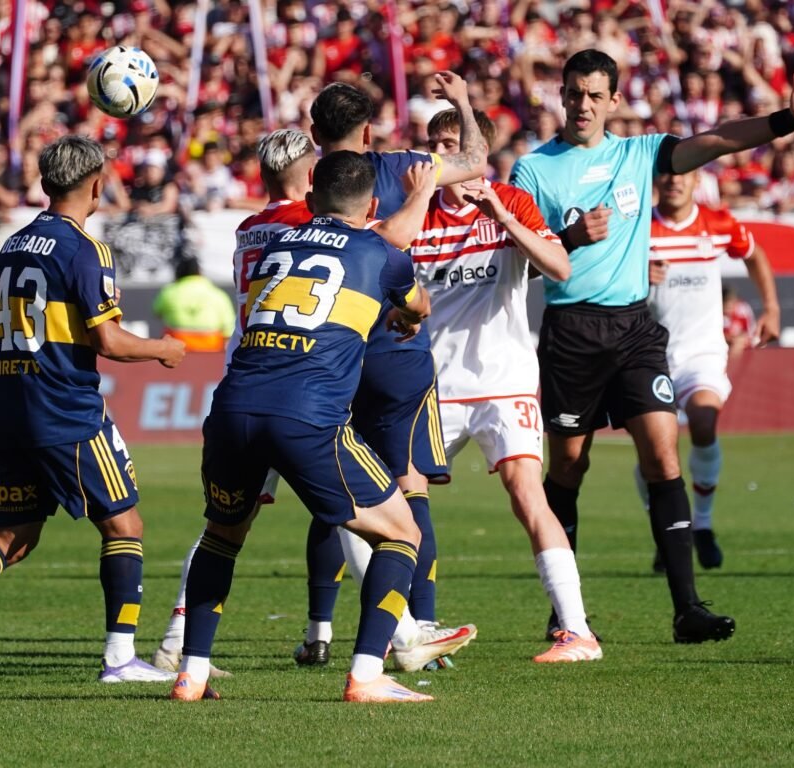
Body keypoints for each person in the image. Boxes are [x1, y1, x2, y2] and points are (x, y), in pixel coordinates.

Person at [509, 49, 794, 643]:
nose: (583, 104)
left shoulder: (640, 154)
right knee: (568, 467)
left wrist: (787, 120)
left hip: (635, 329)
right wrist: (569, 237)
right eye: (574, 92)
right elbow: (521, 264)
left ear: (614, 101)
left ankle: (688, 609)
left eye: (595, 94)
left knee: (663, 458)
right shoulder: (532, 170)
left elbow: (717, 140)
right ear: (561, 94)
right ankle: (565, 611)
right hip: (571, 333)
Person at [153, 128, 472, 676]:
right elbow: (405, 278)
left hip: (235, 398)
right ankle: (379, 662)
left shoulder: (262, 237)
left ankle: (187, 663)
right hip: (307, 406)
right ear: (369, 206)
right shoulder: (368, 243)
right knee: (393, 528)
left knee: (224, 534)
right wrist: (420, 203)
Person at [0, 135, 187, 687]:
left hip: (13, 407)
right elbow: (109, 342)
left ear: (46, 184)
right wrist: (163, 348)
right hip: (67, 409)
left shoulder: (13, 245)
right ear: (96, 185)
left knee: (17, 534)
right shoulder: (85, 249)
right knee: (124, 524)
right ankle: (120, 658)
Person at [297, 74, 487, 670]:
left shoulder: (307, 188)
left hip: (327, 357)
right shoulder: (405, 166)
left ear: (314, 133)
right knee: (408, 485)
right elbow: (477, 161)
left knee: (337, 492)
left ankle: (323, 629)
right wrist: (463, 104)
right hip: (394, 350)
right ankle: (417, 626)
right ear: (368, 132)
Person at [413, 108, 601, 662]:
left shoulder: (511, 201)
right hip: (435, 385)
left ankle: (577, 631)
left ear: (478, 150)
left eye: (451, 142)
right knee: (401, 499)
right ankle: (417, 631)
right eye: (433, 142)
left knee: (527, 494)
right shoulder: (416, 212)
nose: (439, 152)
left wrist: (502, 217)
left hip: (504, 381)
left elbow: (560, 267)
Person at [637, 169, 780, 571]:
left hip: (701, 352)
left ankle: (701, 524)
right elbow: (604, 273)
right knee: (655, 451)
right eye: (666, 174)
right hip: (648, 354)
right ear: (656, 181)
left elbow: (754, 254)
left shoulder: (717, 222)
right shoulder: (639, 228)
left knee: (703, 420)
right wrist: (638, 276)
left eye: (683, 174)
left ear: (697, 179)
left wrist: (771, 308)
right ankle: (667, 530)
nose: (674, 181)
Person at [152, 254, 236, 352]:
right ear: (199, 273)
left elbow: (157, 313)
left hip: (177, 345)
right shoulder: (218, 294)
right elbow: (229, 327)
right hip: (212, 346)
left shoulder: (168, 292)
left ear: (177, 274)